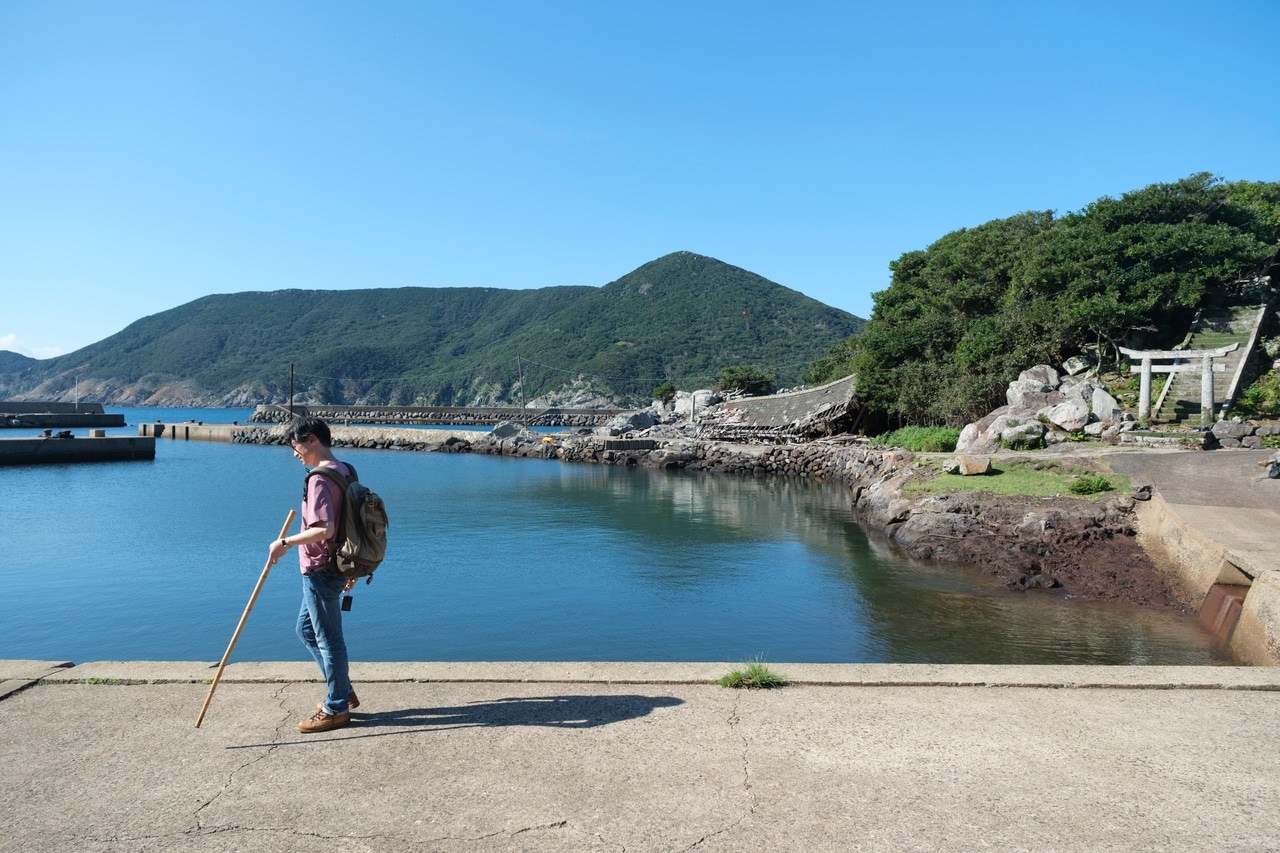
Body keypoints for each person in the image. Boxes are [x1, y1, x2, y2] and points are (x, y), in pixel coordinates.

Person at [268, 415, 359, 733]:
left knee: (328, 639)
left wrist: (284, 543)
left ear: (311, 440)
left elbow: (325, 529)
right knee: (306, 630)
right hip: (336, 565)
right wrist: (352, 566)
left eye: (295, 446)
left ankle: (337, 708)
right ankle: (343, 691)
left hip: (320, 568)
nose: (295, 453)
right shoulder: (346, 470)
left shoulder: (319, 478)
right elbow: (351, 524)